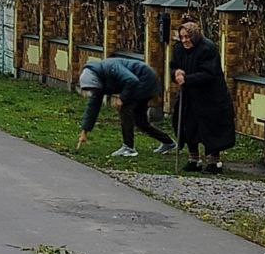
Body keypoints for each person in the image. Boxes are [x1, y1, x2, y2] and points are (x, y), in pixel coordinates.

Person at [75, 57, 175, 158]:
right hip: (139, 83)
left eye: (92, 89)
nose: (92, 91)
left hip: (145, 79)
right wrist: (85, 131)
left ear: (95, 81)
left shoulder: (110, 67)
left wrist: (122, 98)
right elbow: (93, 107)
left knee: (125, 110)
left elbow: (131, 80)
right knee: (140, 122)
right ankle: (168, 142)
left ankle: (128, 147)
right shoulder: (98, 82)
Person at [171, 20, 237, 172]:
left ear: (194, 36)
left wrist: (187, 79)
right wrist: (176, 73)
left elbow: (209, 73)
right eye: (182, 37)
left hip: (210, 96)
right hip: (189, 95)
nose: (184, 40)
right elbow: (174, 66)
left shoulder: (207, 48)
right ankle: (194, 159)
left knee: (212, 127)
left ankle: (215, 161)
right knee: (189, 126)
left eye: (187, 37)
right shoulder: (179, 48)